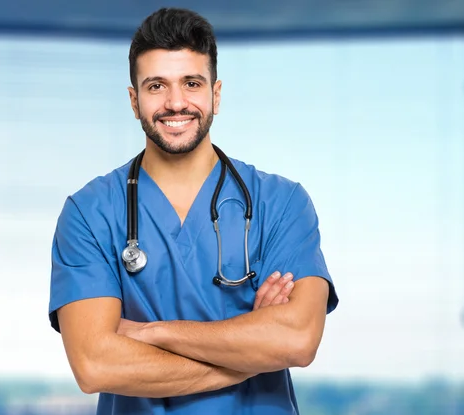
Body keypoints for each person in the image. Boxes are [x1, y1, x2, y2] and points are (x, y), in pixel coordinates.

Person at [48, 7, 339, 415]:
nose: (176, 102)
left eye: (191, 83)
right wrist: (250, 356)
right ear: (134, 101)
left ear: (215, 94)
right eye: (156, 86)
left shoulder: (282, 203)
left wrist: (151, 332)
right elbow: (95, 364)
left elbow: (297, 341)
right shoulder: (89, 213)